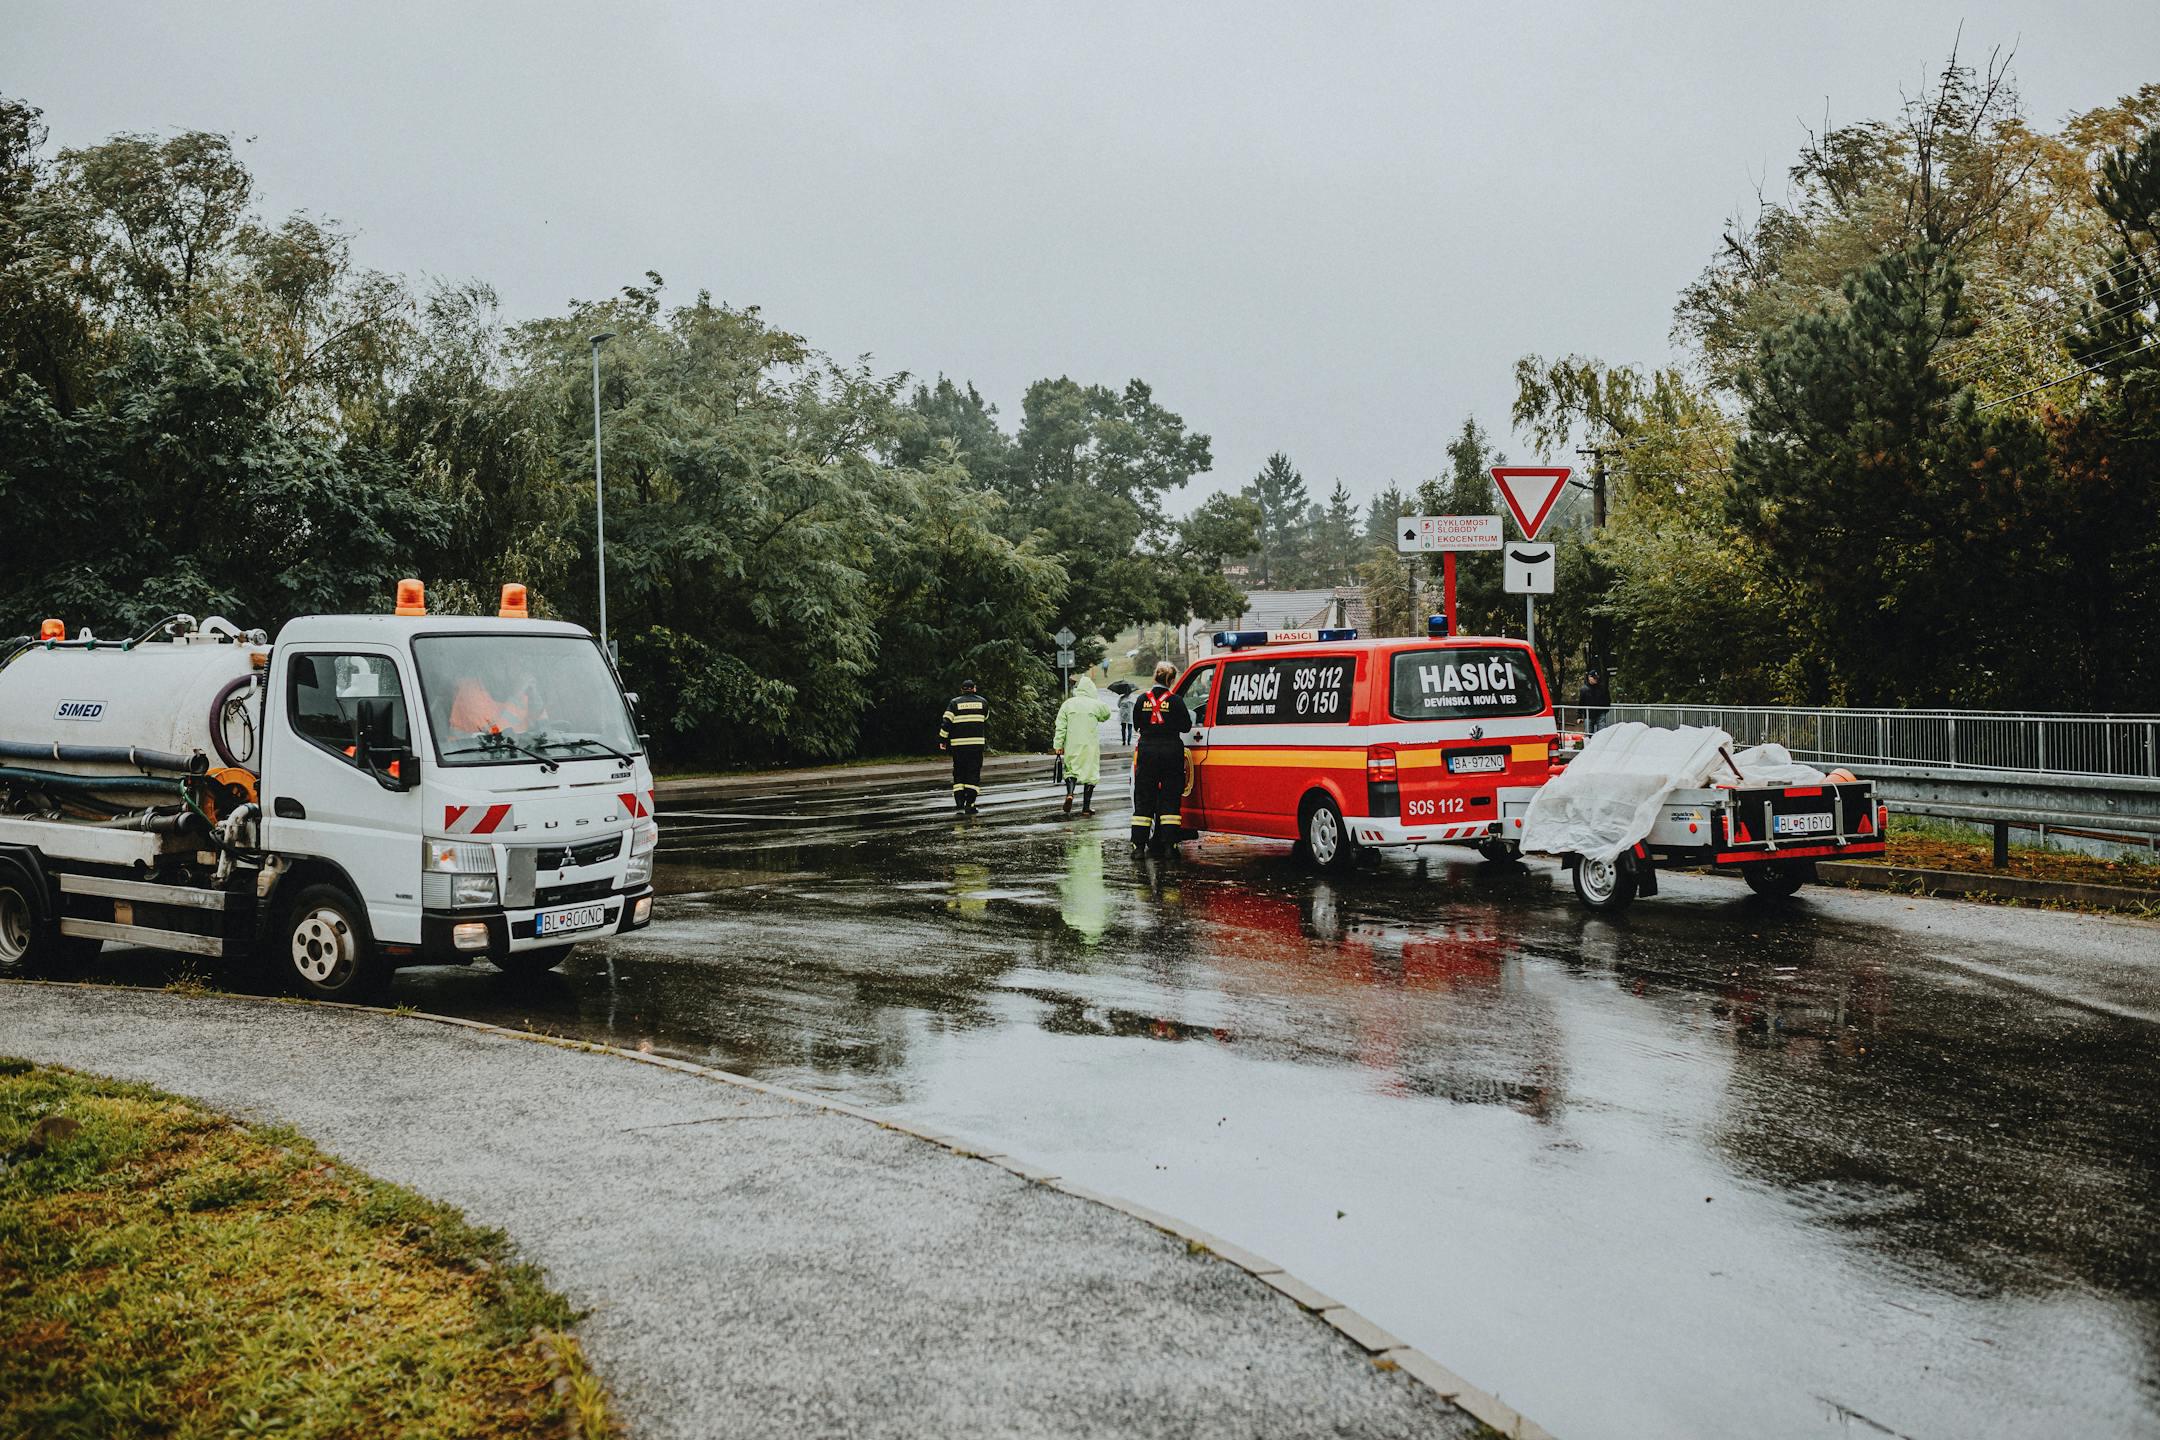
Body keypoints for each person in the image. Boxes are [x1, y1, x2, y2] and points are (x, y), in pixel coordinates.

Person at [1129, 661, 1192, 852]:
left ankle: (1139, 846)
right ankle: (1169, 846)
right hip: (1171, 751)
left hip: (1147, 751)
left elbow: (1137, 724)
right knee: (1170, 798)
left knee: (1144, 798)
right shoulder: (1175, 701)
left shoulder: (1141, 700)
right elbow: (1186, 726)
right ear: (1171, 680)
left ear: (1155, 677)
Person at [1052, 675, 1113, 816]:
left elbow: (1060, 726)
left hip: (1072, 744)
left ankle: (1070, 793)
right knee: (1091, 774)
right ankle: (1086, 807)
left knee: (1071, 771)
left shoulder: (1068, 704)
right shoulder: (1095, 704)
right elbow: (1106, 714)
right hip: (1089, 746)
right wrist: (1095, 701)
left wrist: (1058, 745)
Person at [939, 679, 988, 813]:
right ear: (974, 688)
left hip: (958, 746)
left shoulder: (954, 703)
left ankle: (959, 802)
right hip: (976, 745)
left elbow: (946, 722)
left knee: (959, 772)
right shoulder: (983, 702)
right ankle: (970, 804)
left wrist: (943, 739)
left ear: (962, 690)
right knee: (973, 772)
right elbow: (985, 718)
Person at [1578, 668, 1611, 733]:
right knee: (1588, 734)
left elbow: (1607, 699)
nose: (1596, 679)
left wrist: (1605, 710)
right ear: (1589, 677)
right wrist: (1579, 716)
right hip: (1589, 715)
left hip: (1600, 714)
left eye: (1596, 678)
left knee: (1602, 733)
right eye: (1594, 678)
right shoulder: (1584, 690)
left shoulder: (1602, 688)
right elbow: (1581, 703)